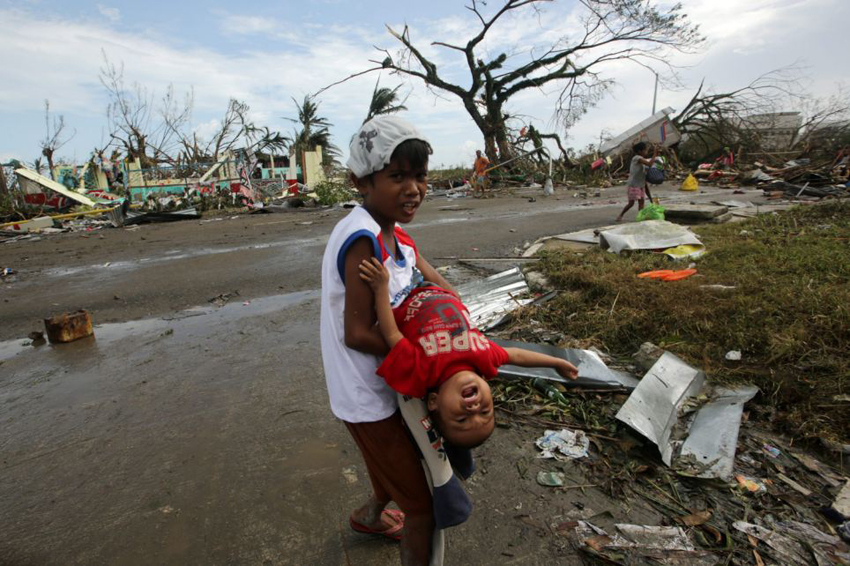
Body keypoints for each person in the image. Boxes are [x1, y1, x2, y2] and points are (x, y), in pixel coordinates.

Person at [320, 115, 454, 565]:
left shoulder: (395, 233)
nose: (413, 188)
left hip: (384, 382)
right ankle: (391, 519)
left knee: (389, 459)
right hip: (365, 391)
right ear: (361, 180)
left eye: (419, 176)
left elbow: (436, 281)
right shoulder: (361, 239)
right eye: (397, 176)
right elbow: (357, 333)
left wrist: (452, 316)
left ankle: (371, 513)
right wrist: (425, 358)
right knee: (422, 507)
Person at [358, 257, 579, 448]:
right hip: (439, 289)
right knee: (450, 290)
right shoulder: (482, 359)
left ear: (434, 402)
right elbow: (517, 356)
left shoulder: (421, 371)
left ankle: (409, 253)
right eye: (485, 412)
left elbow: (391, 334)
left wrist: (380, 288)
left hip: (401, 291)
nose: (474, 408)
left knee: (387, 252)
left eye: (462, 418)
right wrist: (556, 362)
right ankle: (413, 252)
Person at [617, 141, 658, 222]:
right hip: (633, 185)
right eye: (645, 150)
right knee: (631, 203)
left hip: (640, 185)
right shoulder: (636, 158)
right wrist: (655, 153)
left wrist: (650, 198)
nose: (646, 152)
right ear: (639, 151)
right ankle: (621, 215)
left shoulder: (642, 162)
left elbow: (644, 180)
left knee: (641, 202)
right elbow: (650, 164)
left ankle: (640, 217)